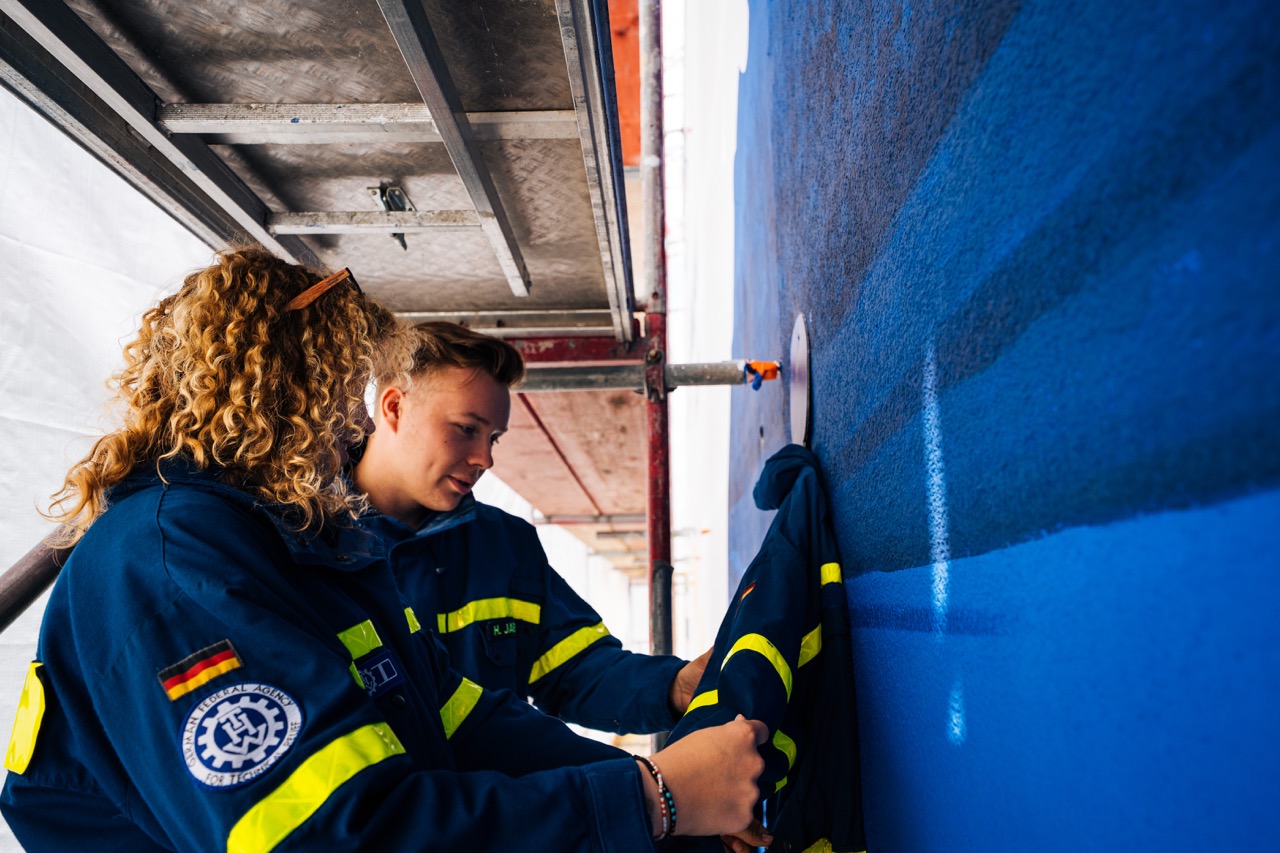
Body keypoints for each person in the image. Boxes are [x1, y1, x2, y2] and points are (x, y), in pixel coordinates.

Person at [0, 247, 769, 851]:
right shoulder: (169, 566)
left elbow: (460, 720)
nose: (350, 420)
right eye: (340, 390)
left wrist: (657, 787)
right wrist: (654, 800)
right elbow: (332, 838)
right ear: (283, 391)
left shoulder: (313, 552)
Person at [354, 322, 710, 735]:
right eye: (467, 429)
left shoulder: (506, 545)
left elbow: (572, 670)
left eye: (494, 438)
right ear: (394, 407)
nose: (485, 459)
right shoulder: (304, 544)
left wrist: (673, 687)